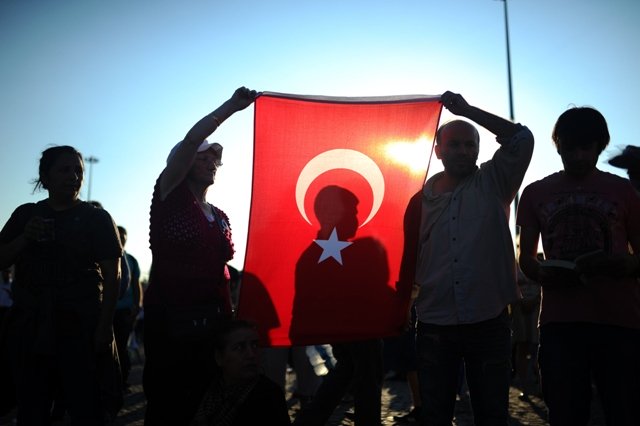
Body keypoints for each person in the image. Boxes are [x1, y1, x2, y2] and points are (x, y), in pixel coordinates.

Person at [401, 91, 534, 425]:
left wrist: (468, 110)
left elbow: (522, 138)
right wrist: (401, 307)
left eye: (469, 144)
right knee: (435, 415)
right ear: (438, 149)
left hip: (489, 322)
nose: (462, 151)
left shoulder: (495, 181)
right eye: (454, 144)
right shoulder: (419, 200)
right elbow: (407, 260)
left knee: (492, 414)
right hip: (433, 323)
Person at [517, 106, 640, 425]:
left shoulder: (625, 192)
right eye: (570, 148)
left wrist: (622, 265)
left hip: (619, 322)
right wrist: (541, 272)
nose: (579, 156)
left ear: (600, 145)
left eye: (587, 148)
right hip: (560, 324)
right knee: (565, 413)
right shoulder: (535, 193)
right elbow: (526, 258)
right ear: (558, 146)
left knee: (623, 410)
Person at [143, 86, 257, 426]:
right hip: (172, 317)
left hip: (214, 319)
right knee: (170, 400)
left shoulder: (220, 214)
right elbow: (192, 140)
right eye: (203, 157)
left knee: (211, 399)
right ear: (181, 163)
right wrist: (232, 108)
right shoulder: (170, 195)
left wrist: (231, 314)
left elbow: (221, 269)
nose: (211, 162)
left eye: (214, 159)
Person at [0, 145, 122, 425]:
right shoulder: (25, 215)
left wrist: (104, 329)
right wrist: (24, 238)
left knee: (86, 408)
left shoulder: (97, 219)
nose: (74, 176)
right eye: (64, 169)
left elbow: (113, 277)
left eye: (78, 170)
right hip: (31, 328)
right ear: (45, 177)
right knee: (32, 408)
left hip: (80, 328)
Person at [190, 319, 291, 426]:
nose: (251, 354)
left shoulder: (270, 396)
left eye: (255, 345)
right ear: (219, 357)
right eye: (239, 347)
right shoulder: (203, 389)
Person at [113, 225, 142, 391]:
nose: (121, 238)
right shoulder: (105, 257)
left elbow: (136, 285)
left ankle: (122, 381)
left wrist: (137, 307)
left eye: (124, 236)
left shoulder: (131, 260)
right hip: (108, 310)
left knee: (122, 348)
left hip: (124, 312)